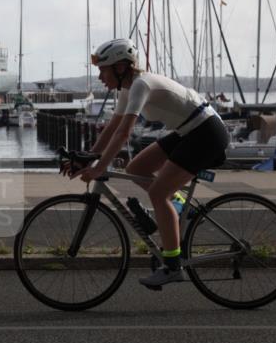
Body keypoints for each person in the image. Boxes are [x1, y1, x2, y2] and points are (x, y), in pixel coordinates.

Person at [76, 38, 229, 288]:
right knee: (136, 168)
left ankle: (172, 265)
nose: (101, 77)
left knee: (158, 194)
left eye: (103, 70)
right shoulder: (127, 89)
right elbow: (111, 127)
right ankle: (180, 206)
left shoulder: (141, 85)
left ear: (121, 66)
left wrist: (99, 169)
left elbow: (123, 133)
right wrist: (89, 157)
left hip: (206, 132)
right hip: (188, 130)